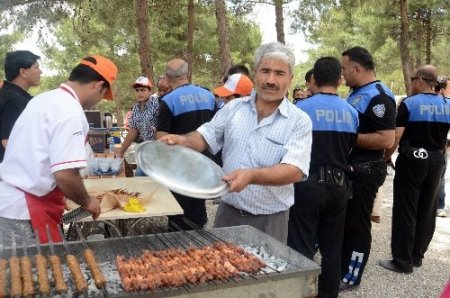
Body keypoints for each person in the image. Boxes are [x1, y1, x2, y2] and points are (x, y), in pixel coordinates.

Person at [159, 42, 312, 243]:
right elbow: (204, 136)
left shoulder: (299, 120)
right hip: (227, 215)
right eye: (265, 71)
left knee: (267, 273)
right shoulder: (233, 109)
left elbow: (295, 170)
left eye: (279, 73)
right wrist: (182, 140)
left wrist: (251, 176)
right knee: (221, 273)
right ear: (255, 74)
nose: (271, 80)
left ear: (290, 79)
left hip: (270, 221)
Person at [0, 55, 117, 245]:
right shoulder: (69, 111)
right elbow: (65, 175)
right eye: (103, 94)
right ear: (97, 85)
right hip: (24, 212)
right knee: (36, 273)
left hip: (10, 201)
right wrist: (87, 201)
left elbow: (37, 157)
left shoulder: (44, 99)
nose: (100, 100)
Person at [288, 57, 358, 297]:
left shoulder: (300, 109)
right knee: (332, 247)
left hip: (307, 183)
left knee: (301, 244)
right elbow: (350, 148)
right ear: (339, 80)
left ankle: (301, 292)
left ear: (314, 79)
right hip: (339, 185)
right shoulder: (351, 112)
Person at [379, 65, 450, 273]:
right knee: (427, 209)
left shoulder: (409, 104)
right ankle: (417, 256)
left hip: (412, 161)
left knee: (405, 209)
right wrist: (441, 152)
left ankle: (402, 261)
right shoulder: (447, 105)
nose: (410, 83)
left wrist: (385, 158)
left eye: (412, 79)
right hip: (436, 161)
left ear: (420, 80)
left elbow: (397, 136)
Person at [339, 46, 396, 290]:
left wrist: (347, 136)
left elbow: (386, 139)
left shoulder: (379, 96)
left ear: (357, 68)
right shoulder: (356, 93)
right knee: (345, 222)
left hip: (366, 169)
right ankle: (341, 267)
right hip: (352, 167)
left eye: (344, 69)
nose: (342, 74)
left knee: (357, 224)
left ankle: (351, 276)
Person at [156, 58, 216, 231]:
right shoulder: (209, 96)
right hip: (203, 161)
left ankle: (178, 248)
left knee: (178, 210)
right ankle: (199, 244)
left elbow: (162, 138)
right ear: (187, 74)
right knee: (198, 205)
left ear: (168, 77)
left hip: (178, 166)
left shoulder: (168, 101)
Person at [0, 50, 42, 162]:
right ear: (23, 72)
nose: (40, 71)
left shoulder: (9, 93)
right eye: (36, 67)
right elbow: (8, 142)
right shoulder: (15, 100)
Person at [118, 76, 159, 177]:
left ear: (150, 91)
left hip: (160, 154)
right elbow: (133, 130)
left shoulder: (157, 104)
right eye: (137, 90)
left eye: (143, 90)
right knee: (139, 178)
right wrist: (120, 152)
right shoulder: (136, 108)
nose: (139, 93)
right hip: (147, 153)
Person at [436, 76, 449, 218]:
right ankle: (439, 206)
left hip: (440, 148)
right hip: (441, 148)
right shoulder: (446, 104)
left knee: (440, 178)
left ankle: (439, 206)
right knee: (440, 178)